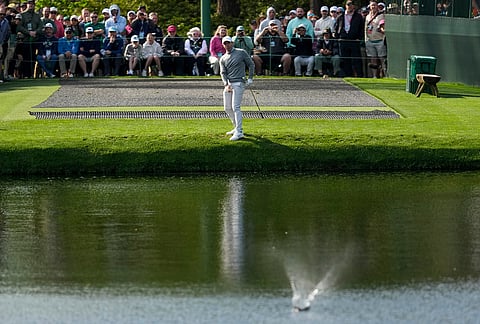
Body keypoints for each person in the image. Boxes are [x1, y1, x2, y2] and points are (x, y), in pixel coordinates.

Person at [219, 36, 254, 141]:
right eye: (225, 43)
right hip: (229, 84)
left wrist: (250, 78)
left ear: (232, 43)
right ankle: (236, 127)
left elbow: (251, 64)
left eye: (229, 43)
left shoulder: (241, 52)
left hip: (239, 82)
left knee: (236, 107)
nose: (227, 45)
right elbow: (223, 73)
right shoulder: (223, 58)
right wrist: (226, 83)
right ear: (223, 45)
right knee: (227, 108)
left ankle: (239, 131)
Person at [333, 0, 364, 77]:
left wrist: (359, 38)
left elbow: (361, 29)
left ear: (354, 6)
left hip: (354, 40)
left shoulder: (358, 16)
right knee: (345, 60)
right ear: (345, 6)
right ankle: (347, 75)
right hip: (343, 40)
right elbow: (336, 28)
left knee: (356, 59)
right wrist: (337, 36)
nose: (349, 6)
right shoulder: (340, 16)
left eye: (351, 4)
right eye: (348, 4)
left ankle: (359, 75)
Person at [17, 0, 43, 78]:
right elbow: (19, 27)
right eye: (29, 4)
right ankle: (25, 75)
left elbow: (41, 26)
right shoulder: (22, 15)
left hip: (35, 39)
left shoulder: (37, 15)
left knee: (33, 58)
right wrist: (28, 32)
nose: (31, 5)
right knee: (25, 58)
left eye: (32, 4)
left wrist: (36, 32)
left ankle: (31, 74)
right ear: (27, 5)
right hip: (25, 40)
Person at [364, 0, 386, 78]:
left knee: (382, 59)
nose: (373, 7)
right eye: (372, 5)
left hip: (379, 40)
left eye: (375, 5)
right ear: (369, 6)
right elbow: (365, 29)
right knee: (373, 59)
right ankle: (374, 76)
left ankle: (384, 74)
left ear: (377, 6)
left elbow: (383, 27)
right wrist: (366, 40)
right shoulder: (367, 16)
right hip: (370, 41)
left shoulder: (381, 15)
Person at [0, 6, 9, 82]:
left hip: (2, 43)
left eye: (3, 14)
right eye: (0, 14)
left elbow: (7, 33)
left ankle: (2, 76)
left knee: (2, 60)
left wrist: (4, 42)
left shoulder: (6, 22)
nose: (2, 16)